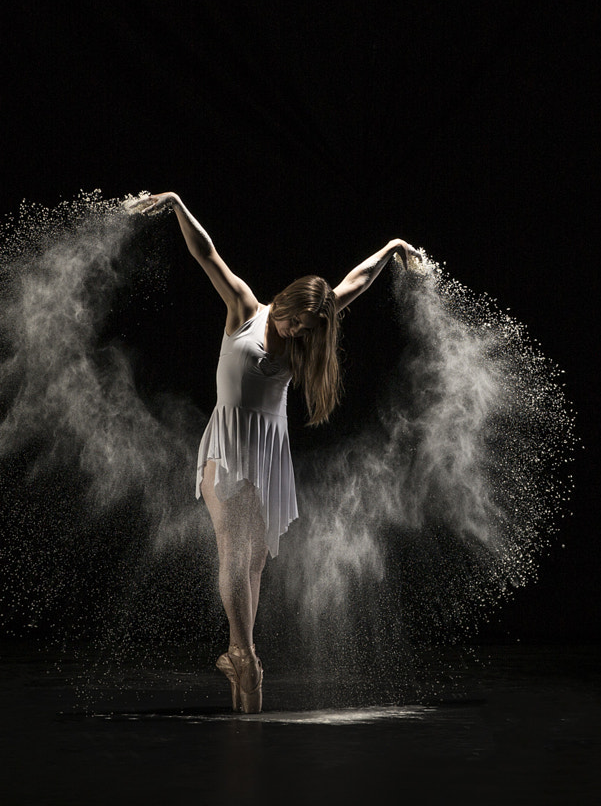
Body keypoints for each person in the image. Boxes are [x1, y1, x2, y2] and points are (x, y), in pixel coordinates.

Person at [136, 192, 418, 713]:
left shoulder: (309, 328)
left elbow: (354, 282)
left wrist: (392, 246)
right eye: (296, 326)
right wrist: (176, 204)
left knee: (258, 561)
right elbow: (207, 254)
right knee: (235, 552)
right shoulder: (245, 309)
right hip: (228, 443)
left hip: (270, 449)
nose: (298, 337)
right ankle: (246, 656)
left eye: (309, 333)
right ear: (284, 306)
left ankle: (239, 657)